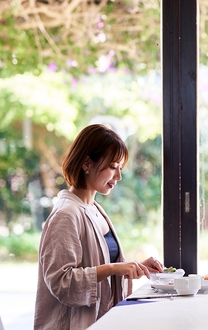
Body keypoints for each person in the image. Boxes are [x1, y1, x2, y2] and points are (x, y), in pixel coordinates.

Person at [34, 124, 164, 330]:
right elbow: (61, 282)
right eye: (113, 167)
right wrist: (113, 268)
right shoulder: (66, 214)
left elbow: (99, 261)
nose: (119, 176)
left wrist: (132, 266)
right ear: (87, 163)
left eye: (120, 168)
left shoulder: (94, 209)